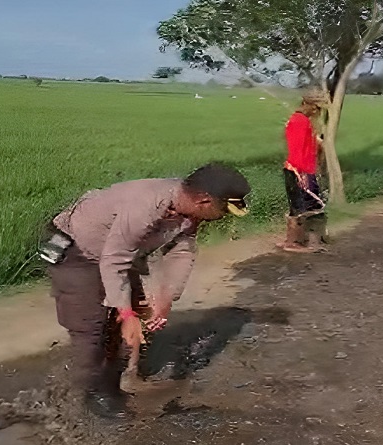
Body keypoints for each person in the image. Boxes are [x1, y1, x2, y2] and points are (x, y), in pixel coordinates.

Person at [44, 163, 251, 418]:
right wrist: (126, 314)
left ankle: (119, 380)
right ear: (204, 201)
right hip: (78, 252)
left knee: (133, 319)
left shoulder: (188, 208)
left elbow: (181, 250)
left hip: (118, 252)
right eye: (224, 210)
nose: (224, 216)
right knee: (91, 329)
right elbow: (115, 260)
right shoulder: (146, 206)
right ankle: (89, 397)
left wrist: (166, 297)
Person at [278, 90, 329, 253]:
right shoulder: (300, 121)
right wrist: (300, 173)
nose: (317, 112)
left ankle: (294, 240)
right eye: (316, 108)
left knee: (299, 206)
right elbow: (297, 150)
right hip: (299, 170)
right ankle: (296, 242)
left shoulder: (300, 120)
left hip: (299, 169)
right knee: (310, 207)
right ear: (309, 105)